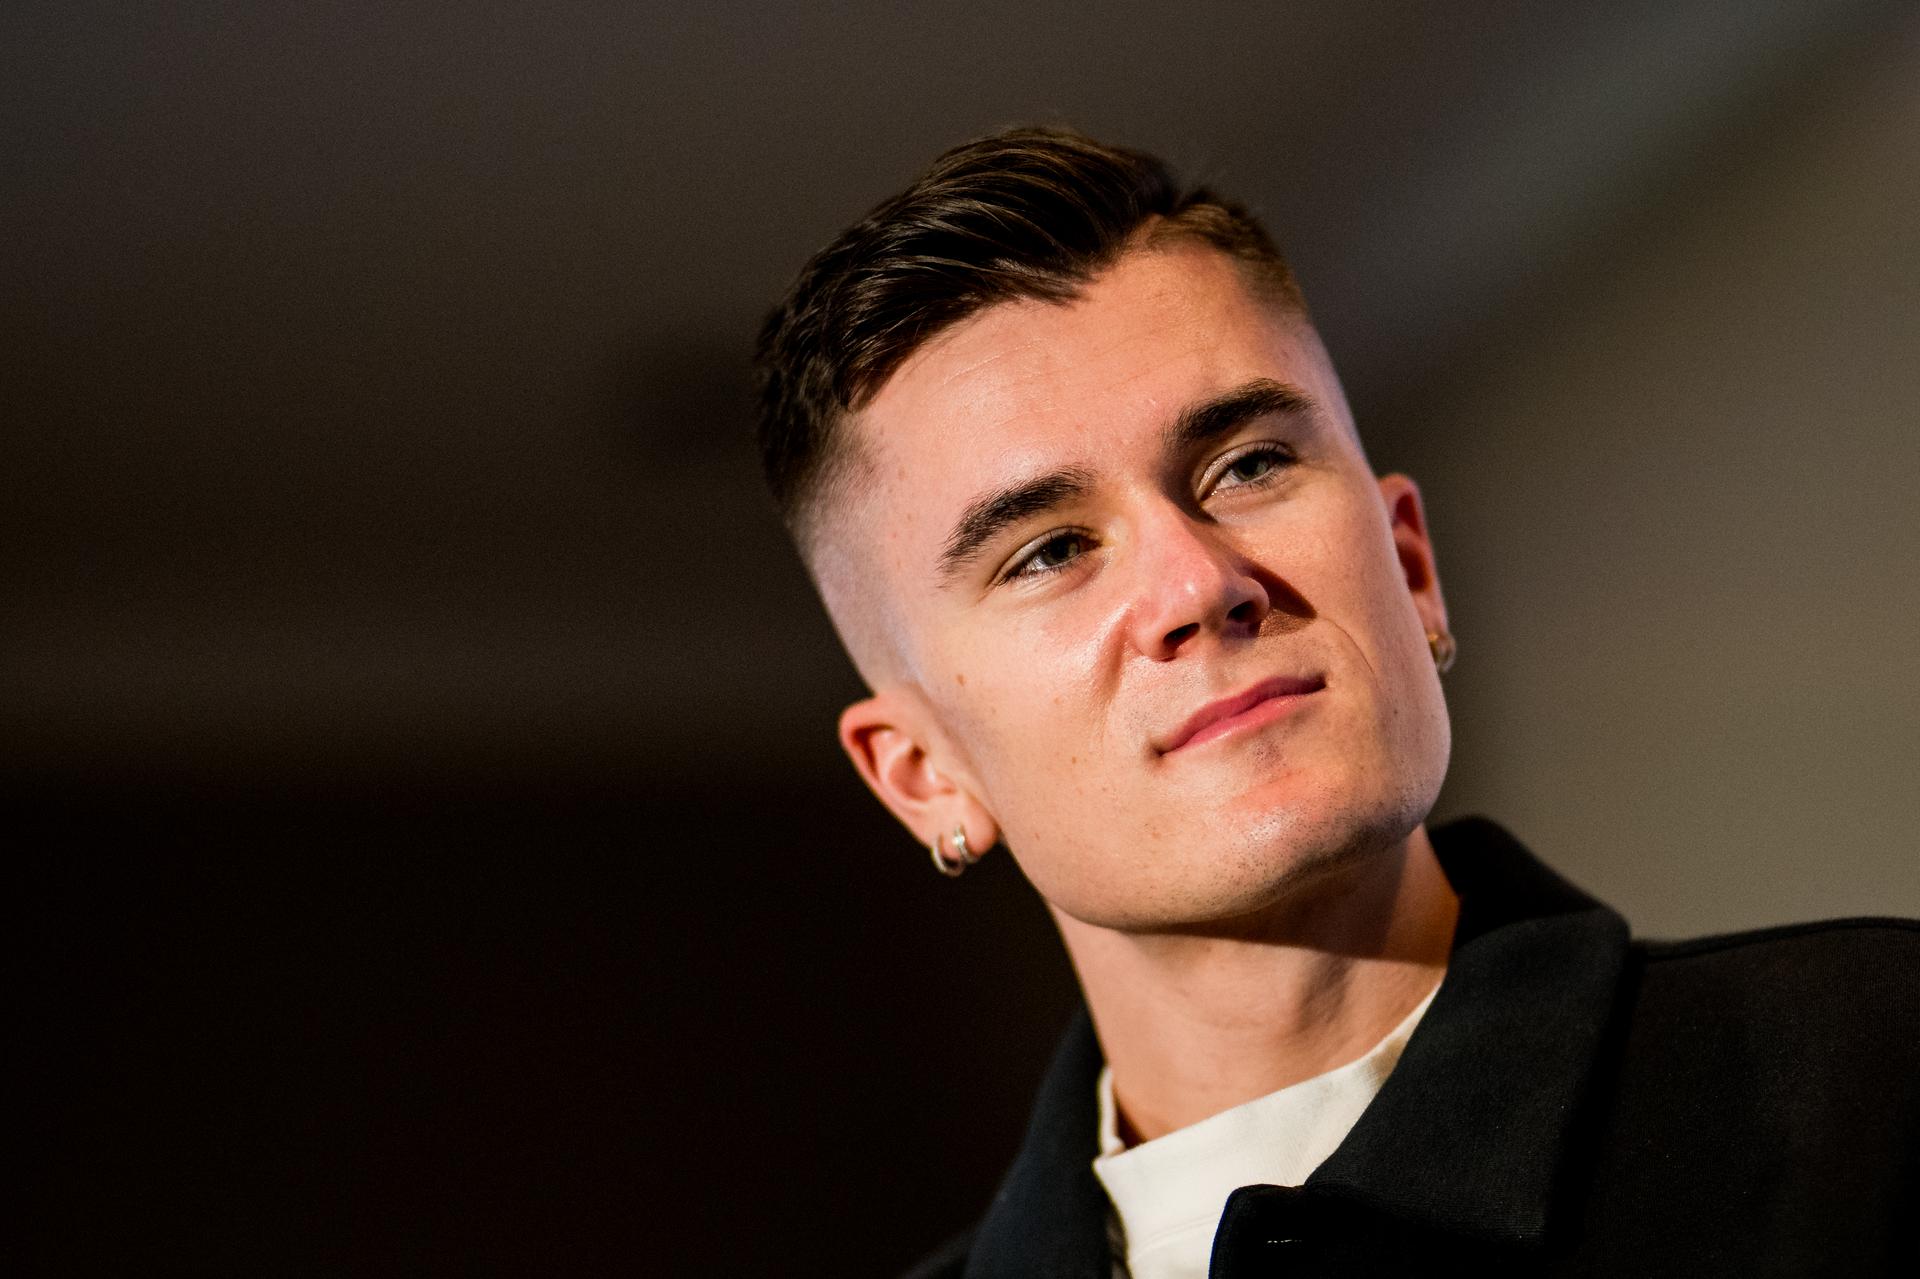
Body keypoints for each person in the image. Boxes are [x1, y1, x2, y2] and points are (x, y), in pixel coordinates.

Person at [751, 127, 1919, 1277]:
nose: (1201, 586)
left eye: (1248, 466)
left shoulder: (1876, 1074)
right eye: (1051, 550)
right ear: (924, 774)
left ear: (1412, 567)